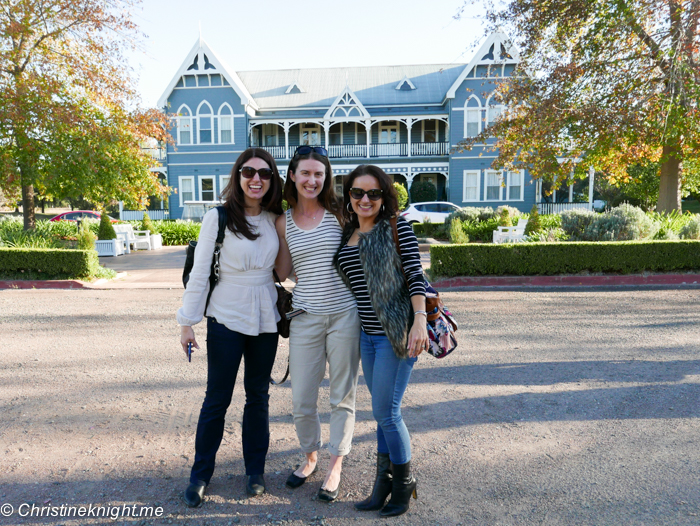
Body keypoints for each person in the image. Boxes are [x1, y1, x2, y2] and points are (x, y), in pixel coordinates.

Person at [177, 148, 283, 506]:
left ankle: (255, 471)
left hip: (266, 316)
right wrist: (187, 322)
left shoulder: (275, 218)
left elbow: (289, 267)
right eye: (249, 172)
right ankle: (200, 475)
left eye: (265, 173)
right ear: (238, 177)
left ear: (272, 180)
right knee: (216, 400)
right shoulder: (218, 217)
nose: (256, 179)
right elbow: (200, 272)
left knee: (258, 398)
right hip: (224, 316)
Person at [334, 164, 428, 517]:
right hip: (367, 337)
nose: (365, 199)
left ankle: (403, 486)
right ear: (349, 197)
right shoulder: (348, 233)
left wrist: (419, 320)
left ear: (384, 196)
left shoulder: (396, 226)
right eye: (357, 193)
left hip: (397, 334)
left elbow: (416, 275)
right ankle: (382, 485)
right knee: (381, 414)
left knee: (386, 413)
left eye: (373, 193)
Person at [274, 145, 361, 502]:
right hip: (305, 318)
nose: (312, 180)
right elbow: (281, 271)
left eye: (319, 174)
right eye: (305, 173)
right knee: (301, 399)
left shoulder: (340, 214)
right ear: (292, 175)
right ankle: (310, 456)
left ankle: (335, 465)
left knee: (342, 396)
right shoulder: (282, 222)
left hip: (345, 315)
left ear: (326, 178)